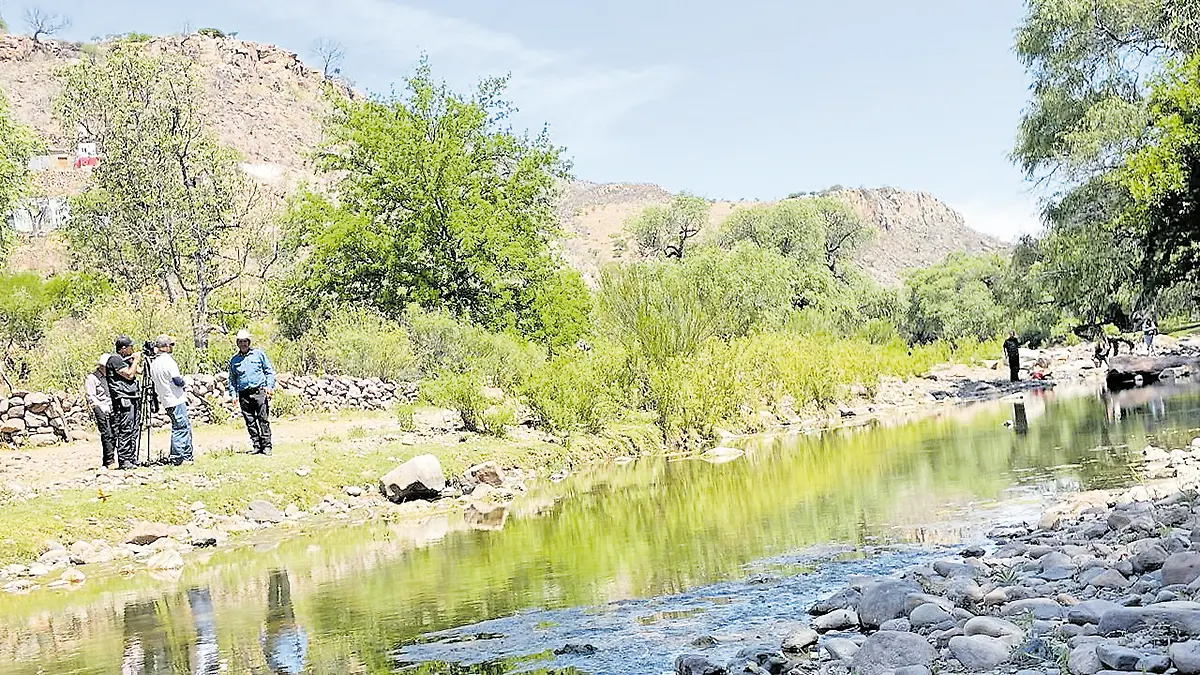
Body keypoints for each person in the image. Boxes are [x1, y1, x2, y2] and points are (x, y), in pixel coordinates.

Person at [228, 329, 275, 455]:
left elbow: (269, 371)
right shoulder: (234, 360)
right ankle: (256, 445)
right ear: (237, 343)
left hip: (259, 391)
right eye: (240, 342)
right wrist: (233, 395)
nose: (243, 344)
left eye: (245, 341)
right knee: (250, 421)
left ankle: (267, 446)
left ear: (249, 342)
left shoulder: (259, 354)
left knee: (263, 419)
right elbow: (232, 379)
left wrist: (269, 387)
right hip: (244, 394)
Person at [149, 334, 193, 465]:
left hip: (165, 399)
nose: (172, 347)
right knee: (180, 428)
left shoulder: (154, 363)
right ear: (166, 347)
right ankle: (179, 457)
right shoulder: (168, 361)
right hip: (175, 398)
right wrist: (185, 382)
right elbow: (177, 380)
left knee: (181, 426)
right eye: (171, 345)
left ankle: (185, 456)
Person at [106, 336, 143, 470]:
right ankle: (124, 459)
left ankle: (131, 457)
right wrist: (136, 361)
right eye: (130, 347)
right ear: (123, 349)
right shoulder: (115, 360)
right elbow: (129, 374)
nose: (132, 349)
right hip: (123, 399)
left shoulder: (125, 361)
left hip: (132, 396)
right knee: (125, 428)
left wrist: (139, 361)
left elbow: (140, 371)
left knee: (133, 428)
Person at [85, 354, 116, 469]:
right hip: (100, 407)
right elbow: (91, 396)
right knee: (106, 433)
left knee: (114, 433)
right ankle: (109, 459)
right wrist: (101, 407)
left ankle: (110, 458)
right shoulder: (92, 378)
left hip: (111, 406)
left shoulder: (110, 377)